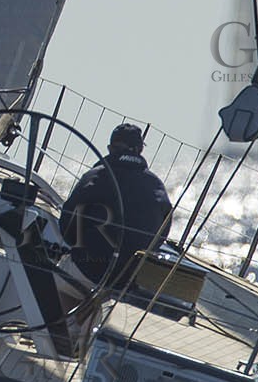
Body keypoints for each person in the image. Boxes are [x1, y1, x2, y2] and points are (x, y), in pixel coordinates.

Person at [59, 122, 174, 287]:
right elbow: (161, 234)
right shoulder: (156, 185)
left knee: (53, 281)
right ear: (140, 150)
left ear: (111, 148)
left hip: (89, 268)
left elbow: (67, 226)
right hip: (130, 279)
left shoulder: (96, 176)